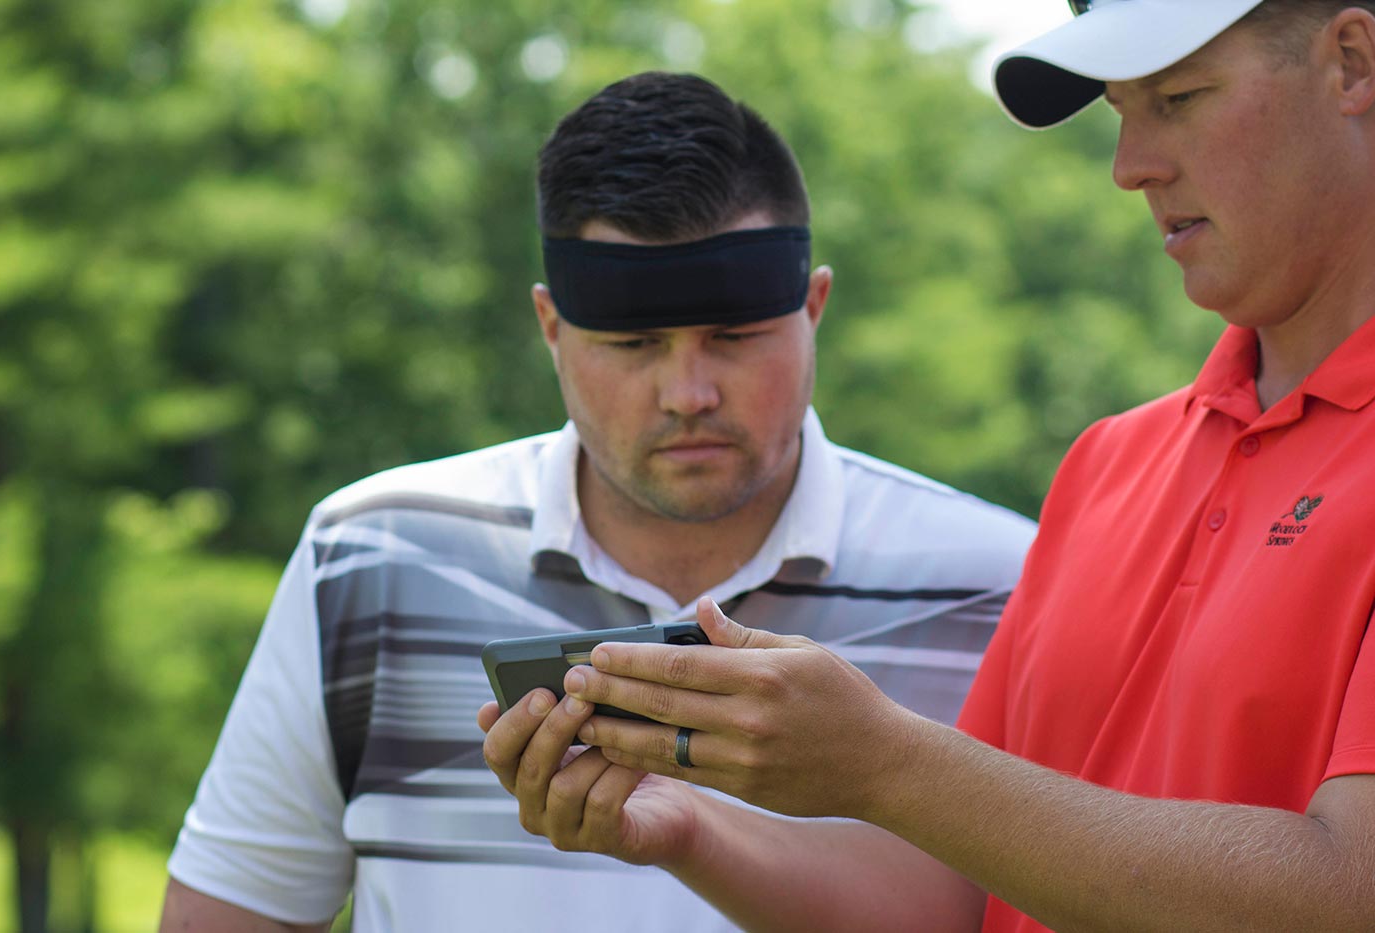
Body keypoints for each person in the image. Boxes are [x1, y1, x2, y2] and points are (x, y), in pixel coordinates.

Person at [480, 4, 1375, 931]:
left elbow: (1355, 892)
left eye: (1180, 97)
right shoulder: (1111, 463)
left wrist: (884, 763)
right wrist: (684, 827)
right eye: (1120, 110)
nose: (1129, 166)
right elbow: (967, 890)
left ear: (1350, 63)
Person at [157, 71, 1036, 931]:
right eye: (632, 342)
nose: (687, 390)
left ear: (814, 308)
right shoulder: (371, 557)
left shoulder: (1003, 585)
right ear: (550, 327)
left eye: (735, 336)